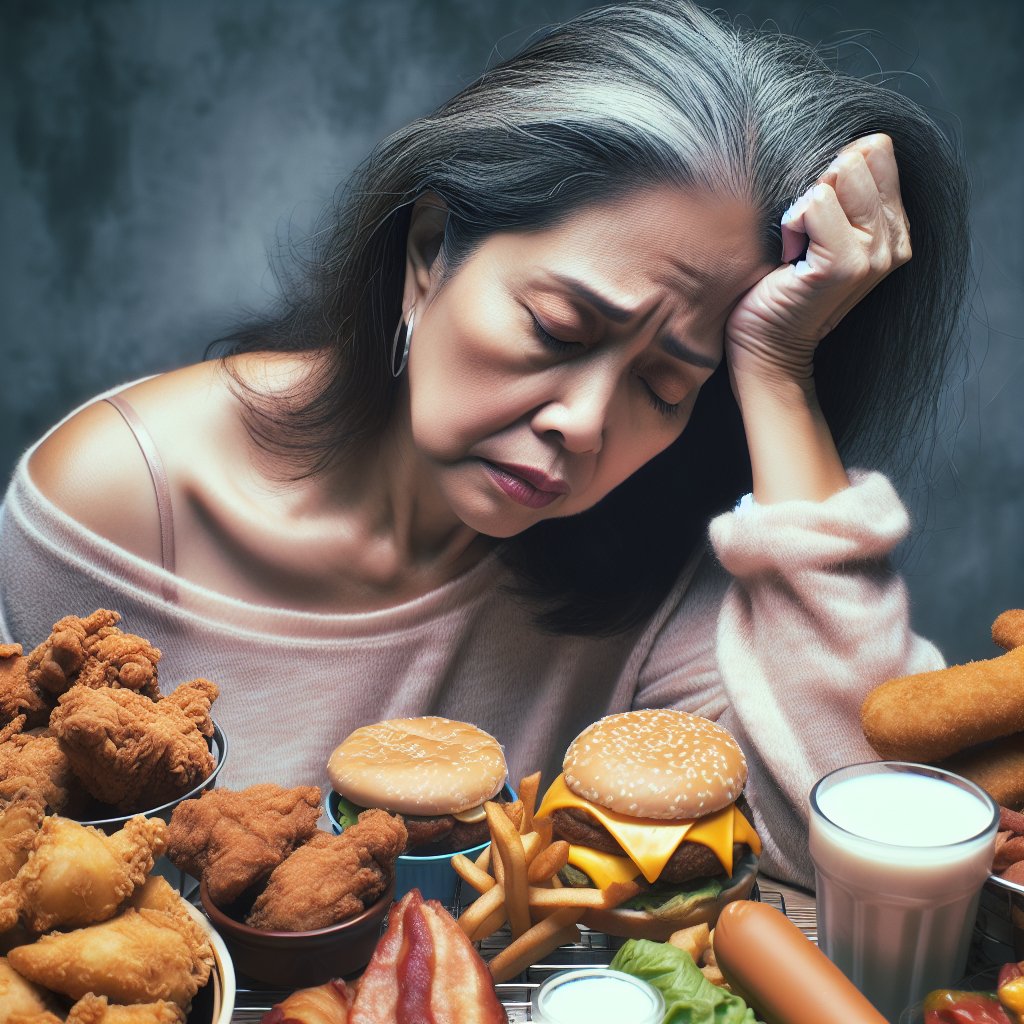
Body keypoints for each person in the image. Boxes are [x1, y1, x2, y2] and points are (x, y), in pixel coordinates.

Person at [0, 0, 968, 888]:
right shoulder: (122, 493)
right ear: (428, 256)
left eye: (667, 381)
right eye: (556, 327)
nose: (584, 424)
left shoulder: (663, 540)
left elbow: (860, 852)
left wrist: (778, 371)